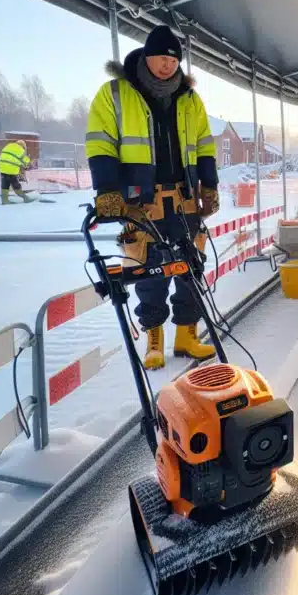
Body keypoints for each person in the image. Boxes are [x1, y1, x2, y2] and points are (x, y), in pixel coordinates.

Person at [85, 24, 221, 370]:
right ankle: (154, 340)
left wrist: (209, 185)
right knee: (148, 269)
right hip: (140, 200)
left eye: (174, 60)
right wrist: (106, 191)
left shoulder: (189, 99)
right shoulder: (116, 93)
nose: (167, 65)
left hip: (184, 197)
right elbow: (100, 145)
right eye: (161, 58)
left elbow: (205, 145)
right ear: (147, 56)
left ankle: (187, 336)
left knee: (190, 265)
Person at [0, 139, 33, 204]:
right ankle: (25, 198)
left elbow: (8, 156)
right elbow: (25, 161)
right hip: (11, 170)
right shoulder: (21, 150)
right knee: (16, 185)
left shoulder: (8, 145)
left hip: (2, 168)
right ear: (23, 146)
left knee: (5, 185)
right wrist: (29, 164)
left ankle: (5, 201)